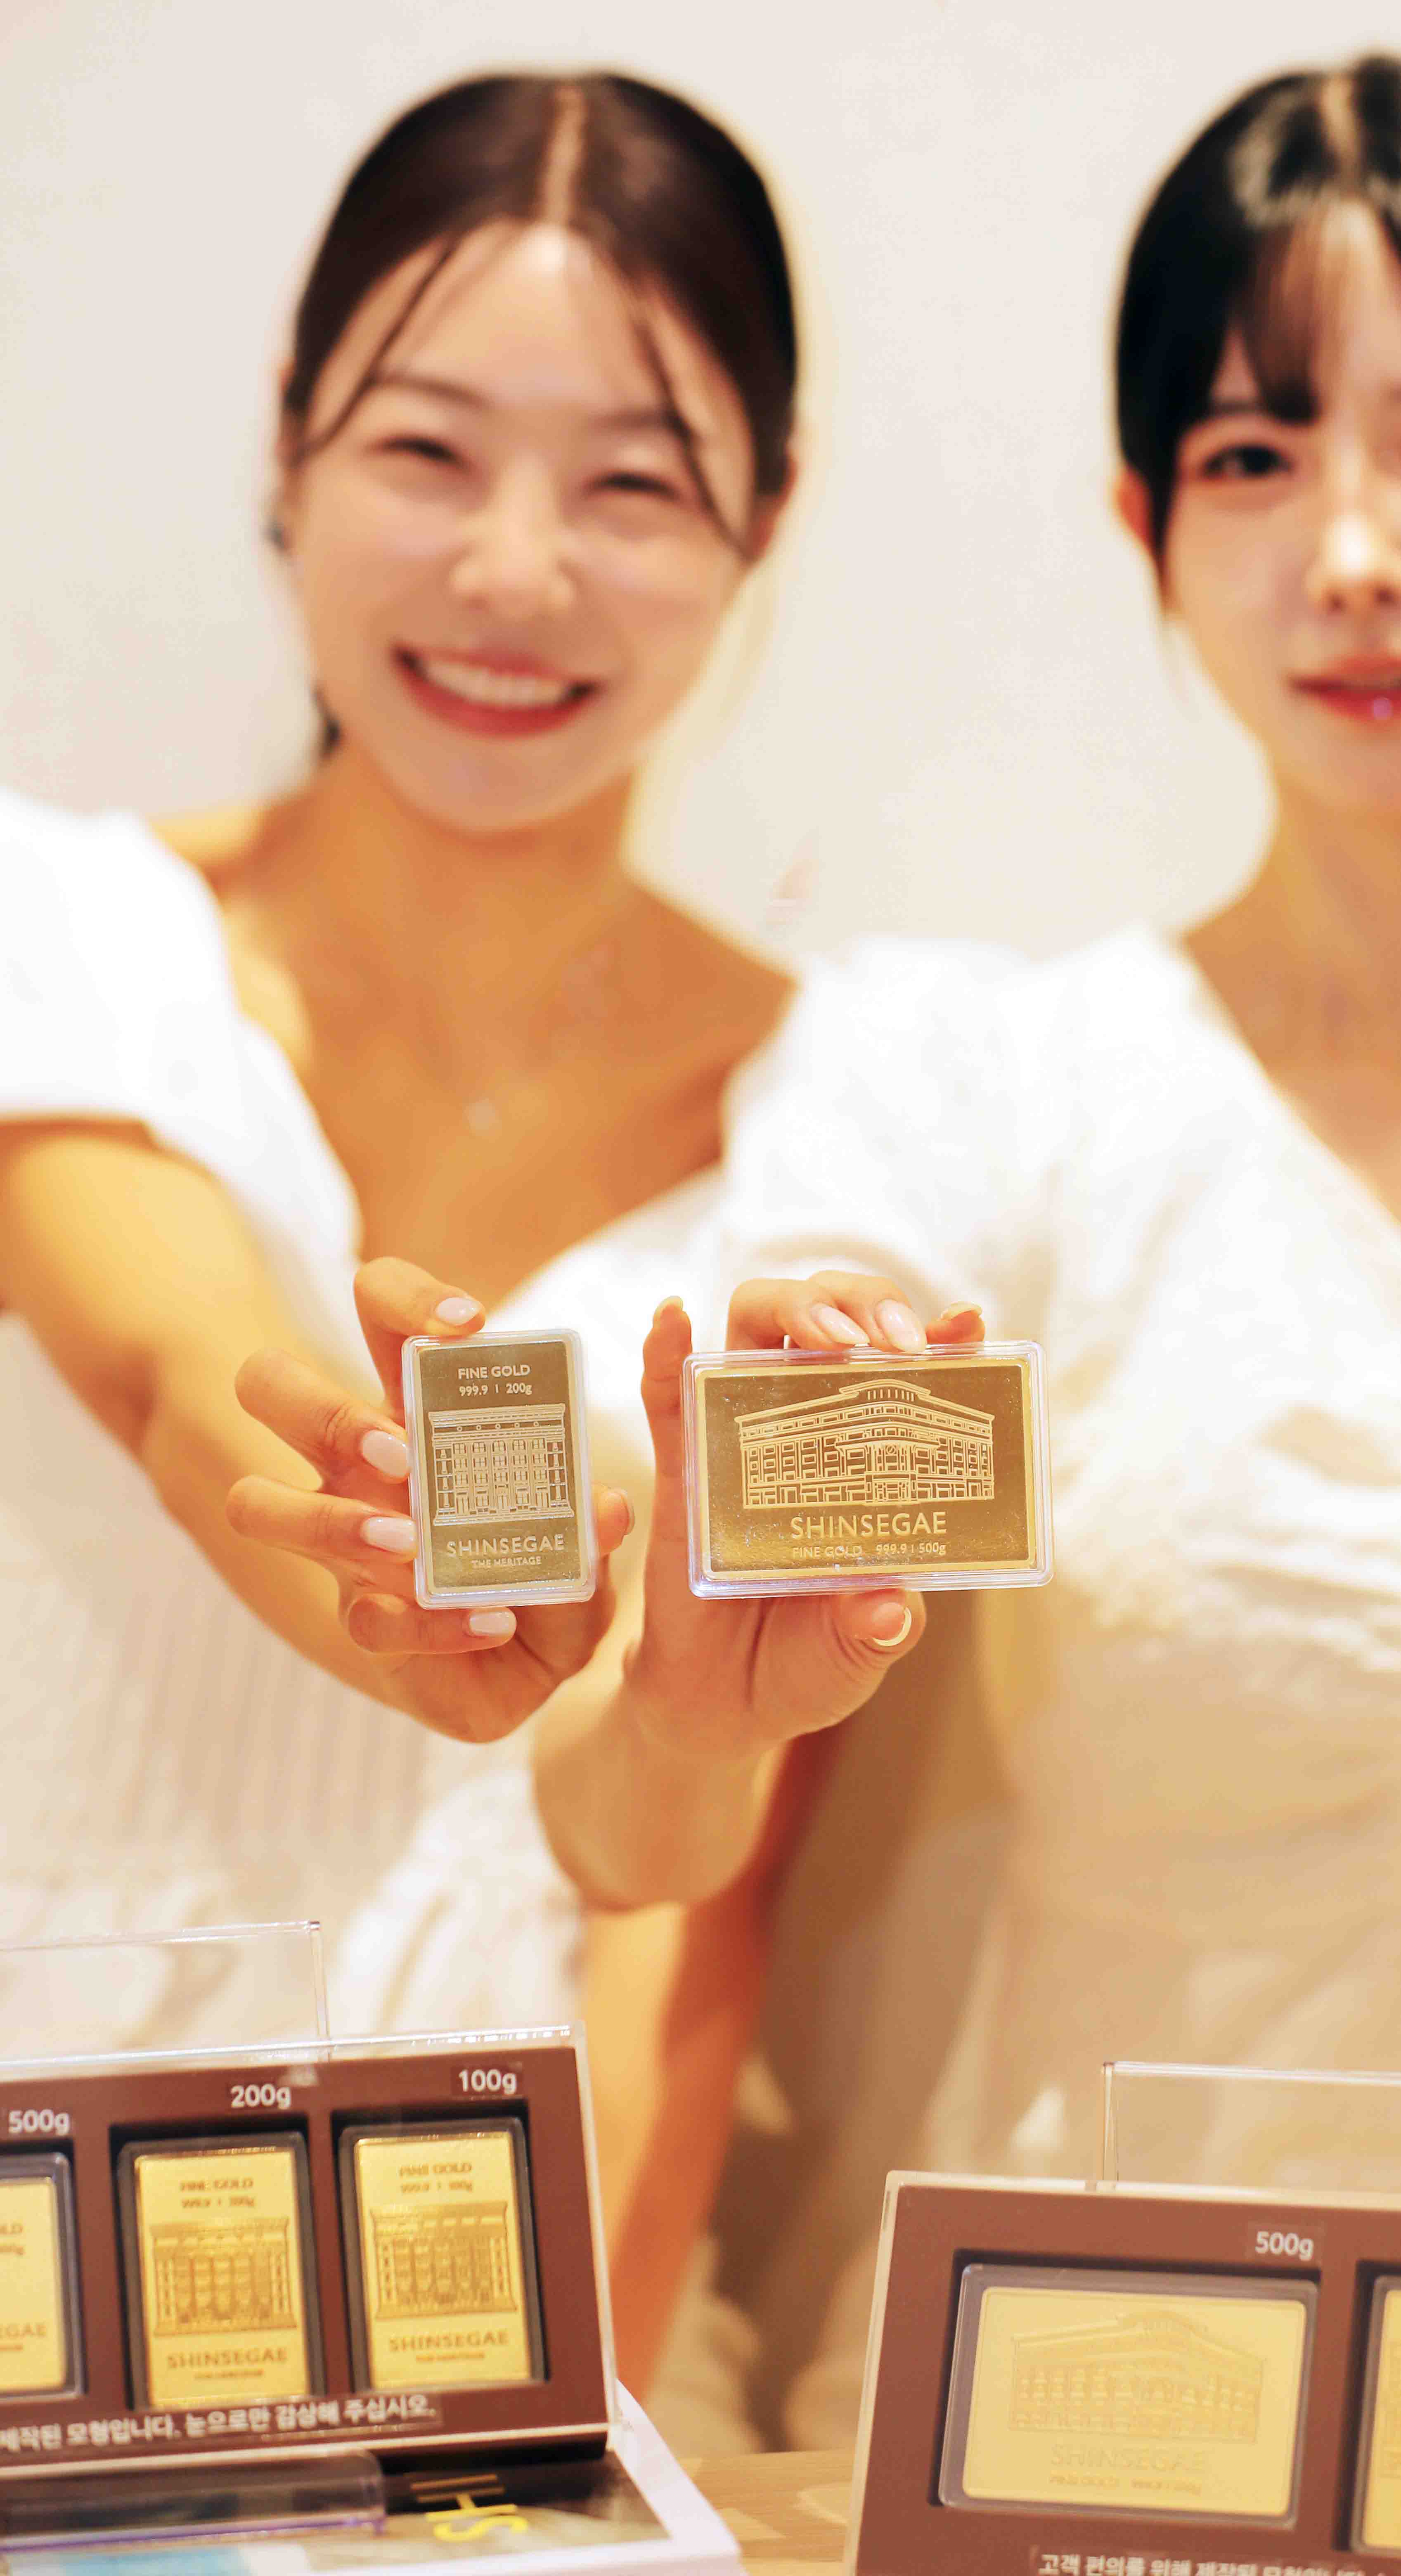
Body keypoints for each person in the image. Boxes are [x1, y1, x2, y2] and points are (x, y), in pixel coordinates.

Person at [235, 49, 1401, 2446]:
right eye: (1253, 457)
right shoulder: (973, 1080)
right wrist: (658, 1650)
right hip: (1082, 2435)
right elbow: (651, 1762)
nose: (1354, 553)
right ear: (1146, 519)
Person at [0, 69, 904, 2076]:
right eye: (427, 450)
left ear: (763, 515)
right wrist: (399, 1574)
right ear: (290, 440)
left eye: (630, 485)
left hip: (475, 2207)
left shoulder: (843, 1097)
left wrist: (688, 1716)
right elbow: (174, 1372)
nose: (512, 571)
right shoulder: (49, 922)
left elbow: (643, 1849)